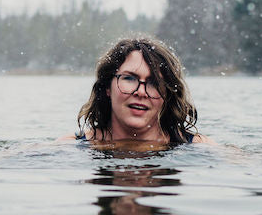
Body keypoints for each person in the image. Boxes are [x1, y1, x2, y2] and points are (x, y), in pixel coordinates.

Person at [62, 36, 210, 147]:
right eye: (129, 78)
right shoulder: (70, 146)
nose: (141, 92)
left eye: (154, 83)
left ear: (168, 94)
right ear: (108, 87)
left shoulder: (199, 146)